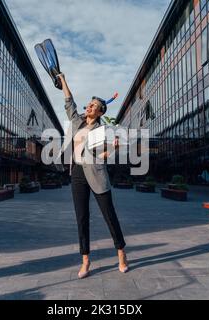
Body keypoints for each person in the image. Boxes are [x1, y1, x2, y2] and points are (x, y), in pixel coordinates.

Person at [57, 73, 129, 279]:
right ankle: (85, 260)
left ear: (99, 112)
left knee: (109, 215)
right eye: (89, 104)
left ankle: (121, 253)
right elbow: (68, 101)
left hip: (96, 173)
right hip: (77, 173)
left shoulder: (101, 129)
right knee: (82, 218)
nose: (88, 106)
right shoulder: (77, 121)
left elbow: (101, 155)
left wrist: (112, 150)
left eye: (93, 105)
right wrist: (63, 80)